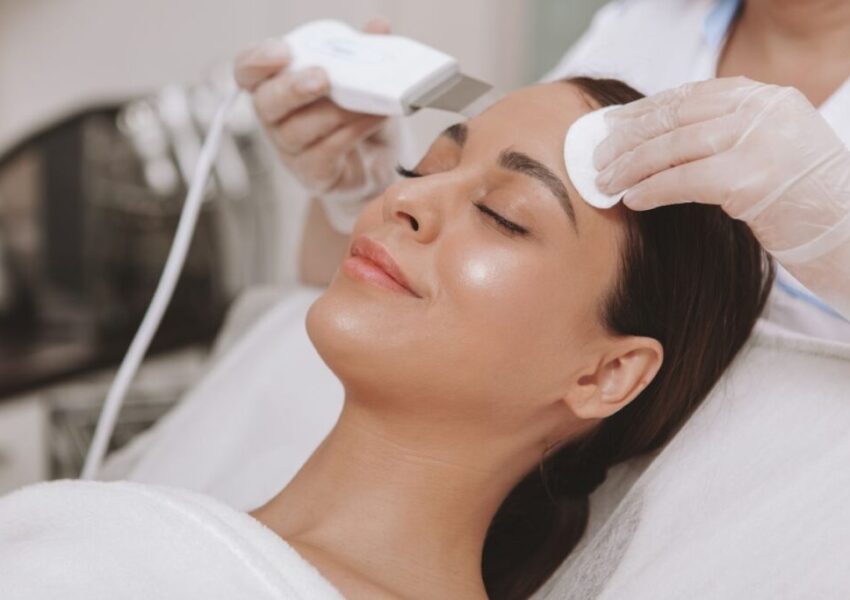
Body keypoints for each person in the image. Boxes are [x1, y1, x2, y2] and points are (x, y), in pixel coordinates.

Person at [0, 77, 773, 600]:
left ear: (606, 375)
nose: (405, 200)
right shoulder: (99, 525)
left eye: (504, 214)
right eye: (424, 165)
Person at [236, 0, 850, 338]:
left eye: (502, 218)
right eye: (426, 169)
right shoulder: (640, 27)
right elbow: (338, 287)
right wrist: (356, 198)